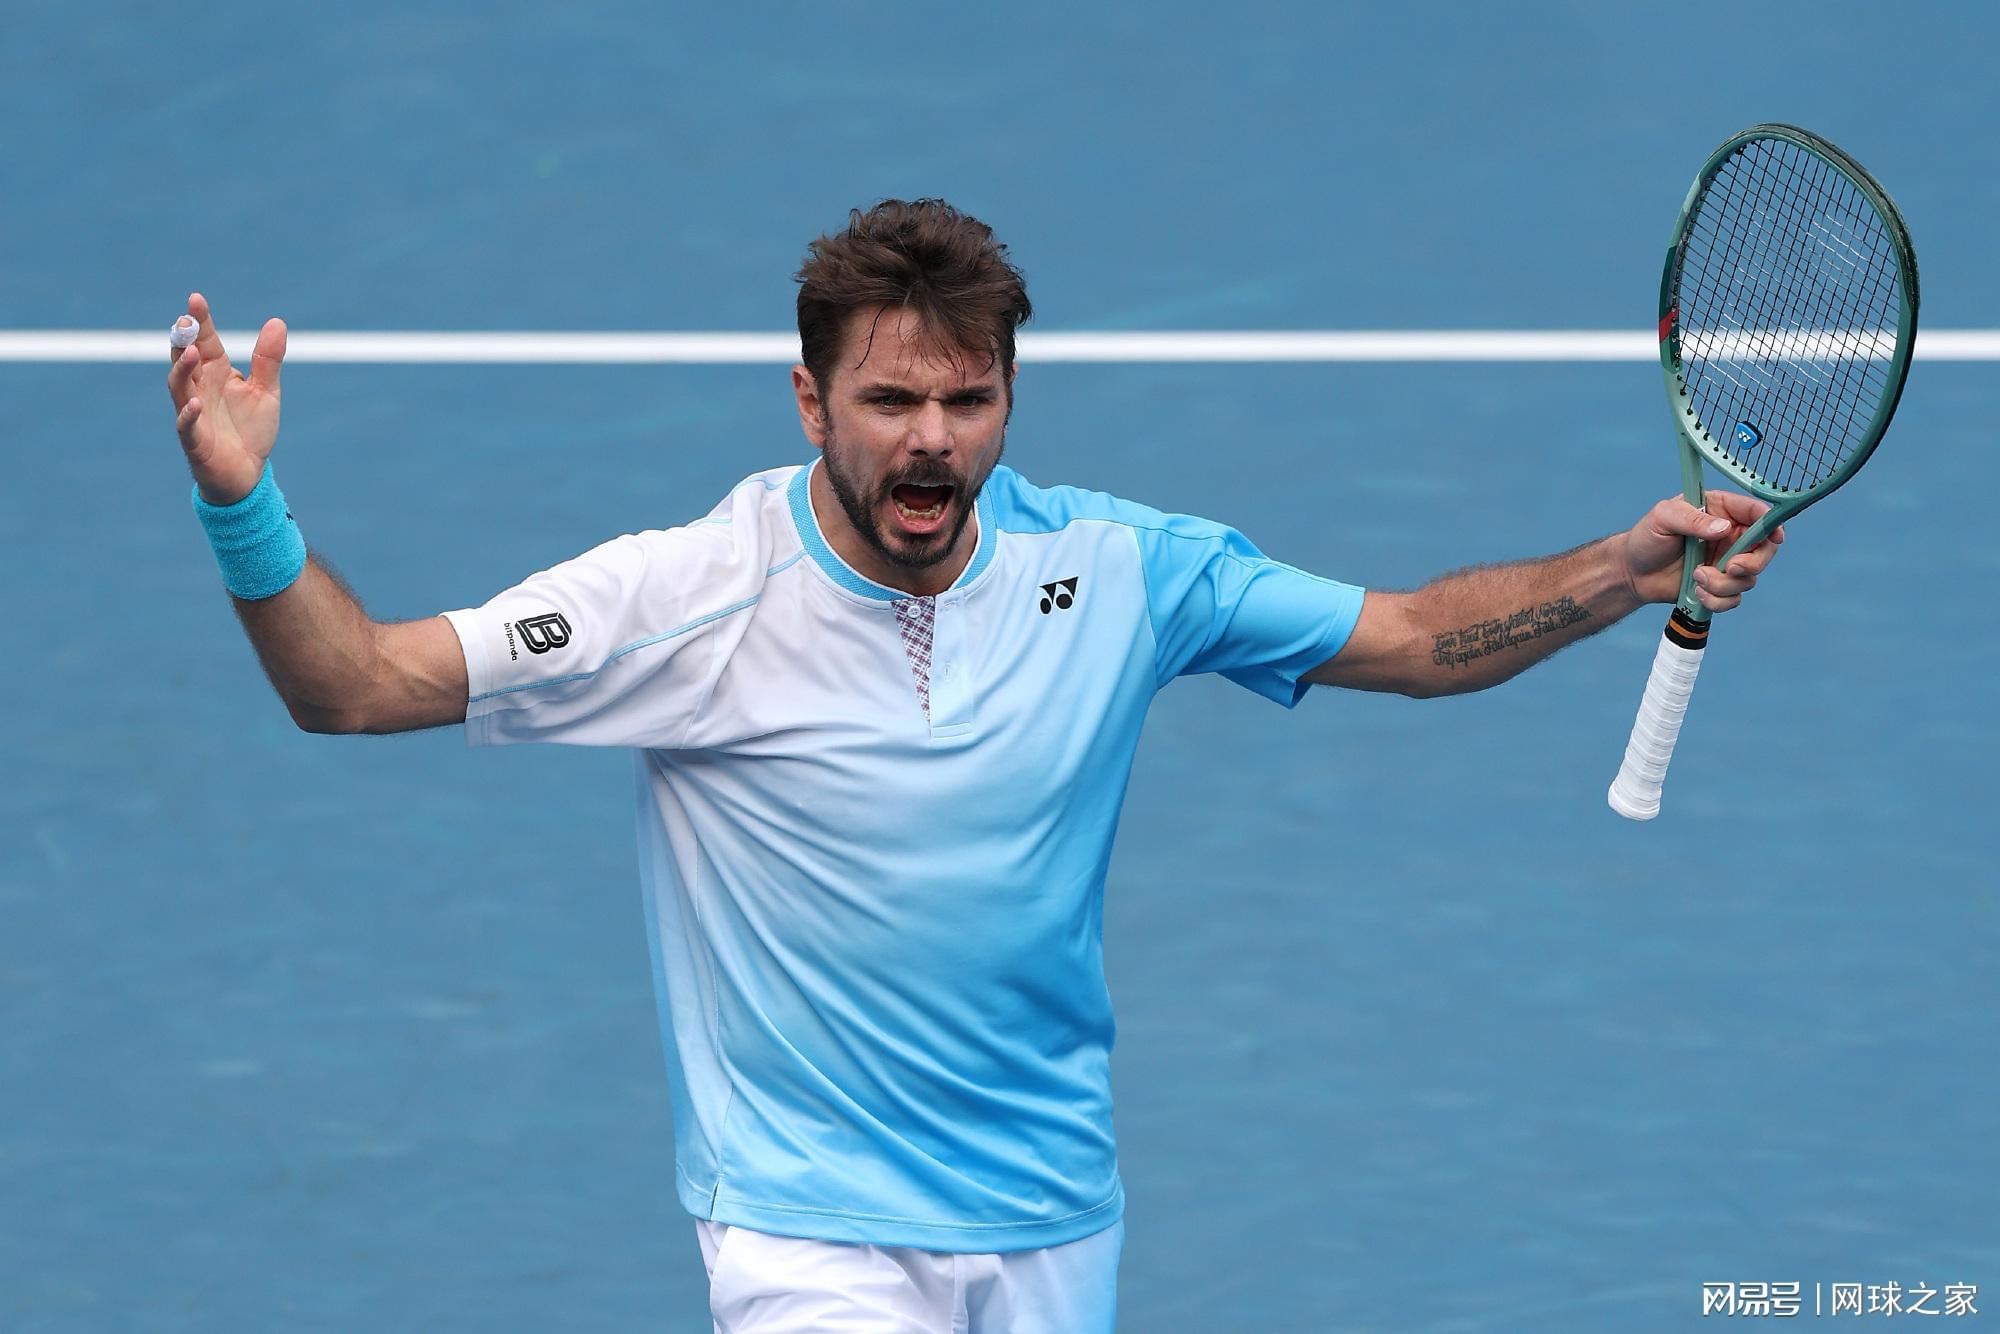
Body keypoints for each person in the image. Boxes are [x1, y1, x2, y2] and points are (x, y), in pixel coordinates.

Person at [166, 198, 1780, 1333]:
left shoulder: (1123, 570)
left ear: (1010, 398)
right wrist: (244, 501)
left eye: (967, 397)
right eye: (889, 399)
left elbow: (1417, 637)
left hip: (1051, 1210)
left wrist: (1620, 575)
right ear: (811, 401)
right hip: (808, 1230)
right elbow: (355, 684)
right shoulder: (691, 595)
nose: (931, 436)